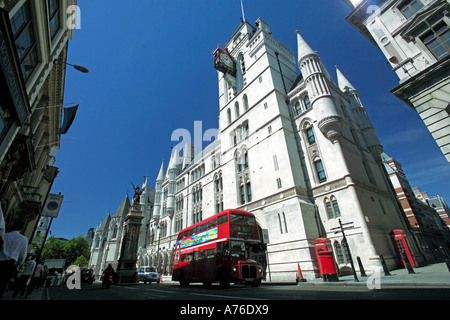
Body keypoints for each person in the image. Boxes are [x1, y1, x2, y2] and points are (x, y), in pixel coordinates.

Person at [0, 221, 28, 299]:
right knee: (2, 284)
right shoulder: (23, 239)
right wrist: (18, 266)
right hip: (10, 264)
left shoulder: (4, 235)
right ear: (21, 228)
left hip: (1, 259)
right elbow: (22, 256)